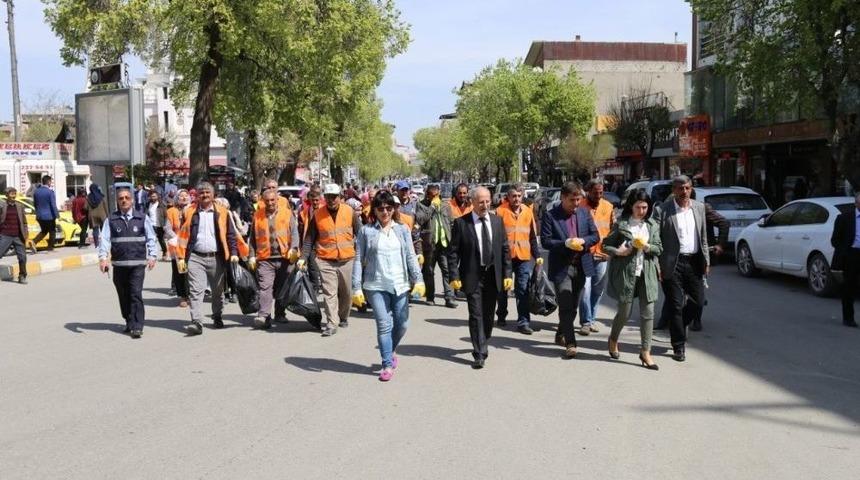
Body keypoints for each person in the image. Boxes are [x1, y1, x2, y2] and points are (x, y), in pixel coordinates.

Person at [352, 191, 425, 381]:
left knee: (402, 324)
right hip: (375, 285)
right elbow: (359, 260)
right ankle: (386, 364)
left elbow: (410, 256)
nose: (385, 212)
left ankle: (390, 350)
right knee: (384, 325)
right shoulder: (366, 231)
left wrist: (419, 280)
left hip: (400, 284)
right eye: (380, 208)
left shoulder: (402, 230)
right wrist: (356, 288)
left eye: (388, 208)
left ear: (393, 209)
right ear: (374, 210)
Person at [448, 186, 513, 369]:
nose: (484, 205)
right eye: (480, 202)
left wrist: (507, 274)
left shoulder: (497, 221)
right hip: (472, 275)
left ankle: (484, 338)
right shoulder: (461, 224)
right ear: (472, 202)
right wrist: (454, 275)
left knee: (488, 314)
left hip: (493, 275)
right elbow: (453, 253)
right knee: (475, 314)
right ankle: (479, 353)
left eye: (487, 201)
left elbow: (504, 249)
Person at [603, 189, 662, 370]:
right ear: (631, 206)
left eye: (645, 207)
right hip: (626, 274)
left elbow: (659, 248)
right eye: (638, 207)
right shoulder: (622, 224)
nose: (642, 211)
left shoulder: (652, 225)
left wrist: (647, 247)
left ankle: (645, 351)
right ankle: (613, 339)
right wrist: (619, 251)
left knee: (648, 313)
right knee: (625, 313)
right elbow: (605, 245)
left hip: (647, 274)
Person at [653, 175, 710, 362]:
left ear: (691, 188)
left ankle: (676, 326)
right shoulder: (662, 210)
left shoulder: (699, 208)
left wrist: (706, 261)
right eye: (680, 188)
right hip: (672, 264)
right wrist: (657, 264)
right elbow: (656, 239)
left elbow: (703, 237)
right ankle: (679, 346)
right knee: (676, 305)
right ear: (673, 190)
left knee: (698, 302)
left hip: (694, 262)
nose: (684, 192)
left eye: (687, 188)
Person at [540, 181, 599, 358]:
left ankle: (560, 333)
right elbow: (545, 241)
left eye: (578, 199)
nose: (576, 203)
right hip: (562, 267)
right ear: (563, 198)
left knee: (573, 306)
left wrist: (584, 242)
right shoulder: (551, 216)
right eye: (572, 200)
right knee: (565, 304)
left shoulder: (584, 213)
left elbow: (595, 235)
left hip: (581, 265)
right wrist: (565, 243)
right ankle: (571, 343)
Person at [175, 182, 241, 335]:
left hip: (217, 257)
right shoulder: (189, 212)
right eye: (201, 193)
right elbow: (183, 236)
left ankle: (217, 315)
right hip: (195, 257)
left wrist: (234, 253)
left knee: (217, 292)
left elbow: (231, 235)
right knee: (195, 290)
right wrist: (181, 257)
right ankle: (196, 321)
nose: (204, 195)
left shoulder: (223, 212)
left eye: (207, 192)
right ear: (197, 196)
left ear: (213, 195)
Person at [298, 183, 362, 336]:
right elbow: (309, 239)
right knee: (329, 292)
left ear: (340, 197)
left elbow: (361, 234)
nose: (332, 200)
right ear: (324, 198)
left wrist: (364, 255)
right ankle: (332, 323)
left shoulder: (349, 212)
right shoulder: (318, 215)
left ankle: (343, 316)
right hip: (326, 259)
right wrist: (303, 258)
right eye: (328, 197)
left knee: (346, 292)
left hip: (347, 259)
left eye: (334, 197)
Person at [97, 183, 159, 338]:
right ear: (117, 201)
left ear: (132, 200)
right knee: (123, 295)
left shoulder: (142, 218)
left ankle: (138, 325)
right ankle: (129, 321)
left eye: (127, 198)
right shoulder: (111, 220)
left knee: (135, 294)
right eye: (121, 199)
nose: (124, 200)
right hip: (119, 265)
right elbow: (104, 239)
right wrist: (103, 259)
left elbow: (151, 238)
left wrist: (152, 256)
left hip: (137, 264)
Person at [247, 188, 300, 329]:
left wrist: (294, 249)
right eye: (267, 201)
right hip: (265, 258)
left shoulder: (287, 214)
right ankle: (264, 315)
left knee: (282, 288)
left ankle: (280, 313)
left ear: (277, 200)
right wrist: (251, 256)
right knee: (265, 287)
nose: (270, 203)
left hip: (285, 258)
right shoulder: (257, 216)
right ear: (263, 201)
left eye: (272, 200)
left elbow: (295, 234)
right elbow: (252, 238)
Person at [494, 183, 542, 334]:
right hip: (504, 257)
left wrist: (538, 255)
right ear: (508, 197)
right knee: (502, 289)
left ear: (522, 196)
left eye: (519, 196)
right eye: (513, 196)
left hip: (523, 256)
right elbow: (494, 237)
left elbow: (532, 236)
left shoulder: (528, 211)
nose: (516, 199)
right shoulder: (500, 211)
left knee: (523, 289)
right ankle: (501, 315)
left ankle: (523, 321)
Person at [578, 179, 615, 336]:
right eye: (595, 193)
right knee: (585, 289)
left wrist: (611, 250)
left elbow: (613, 230)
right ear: (588, 192)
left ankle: (592, 319)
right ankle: (585, 322)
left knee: (597, 289)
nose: (598, 195)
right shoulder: (580, 207)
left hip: (602, 255)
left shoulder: (608, 207)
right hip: (585, 254)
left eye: (601, 192)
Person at [414, 184, 456, 308]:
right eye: (432, 196)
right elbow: (420, 220)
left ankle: (449, 297)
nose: (435, 197)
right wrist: (431, 207)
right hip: (430, 244)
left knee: (447, 270)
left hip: (443, 244)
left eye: (436, 195)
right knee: (429, 271)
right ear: (427, 195)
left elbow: (451, 222)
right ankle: (430, 297)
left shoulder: (445, 205)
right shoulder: (421, 205)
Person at [831, 192, 860, 327]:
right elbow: (835, 240)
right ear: (856, 203)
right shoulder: (844, 218)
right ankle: (848, 318)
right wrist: (845, 253)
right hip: (851, 255)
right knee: (849, 287)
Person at [164, 189, 191, 307]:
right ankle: (183, 296)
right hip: (177, 246)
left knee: (193, 271)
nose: (184, 198)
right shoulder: (171, 211)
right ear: (177, 198)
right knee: (181, 271)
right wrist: (177, 237)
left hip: (191, 245)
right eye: (181, 196)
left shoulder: (193, 209)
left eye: (186, 196)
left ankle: (193, 295)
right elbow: (167, 228)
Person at [0, 187, 29, 284]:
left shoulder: (20, 206)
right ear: (6, 195)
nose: (13, 195)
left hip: (18, 236)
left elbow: (24, 222)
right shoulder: (2, 206)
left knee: (22, 257)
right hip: (5, 235)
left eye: (14, 193)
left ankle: (22, 276)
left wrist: (26, 236)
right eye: (11, 193)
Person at [32, 176, 59, 251]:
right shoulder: (50, 192)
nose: (51, 183)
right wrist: (57, 215)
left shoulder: (36, 192)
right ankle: (50, 247)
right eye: (51, 182)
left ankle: (34, 241)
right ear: (48, 182)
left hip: (39, 215)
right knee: (52, 231)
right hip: (49, 216)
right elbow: (53, 205)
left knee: (44, 230)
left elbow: (35, 204)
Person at [146, 190, 168, 261]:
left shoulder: (162, 204)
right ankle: (152, 255)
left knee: (161, 239)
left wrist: (165, 225)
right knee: (151, 239)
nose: (153, 198)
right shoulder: (148, 204)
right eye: (152, 196)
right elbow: (146, 213)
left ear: (158, 196)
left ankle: (165, 252)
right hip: (150, 224)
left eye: (154, 196)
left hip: (159, 224)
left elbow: (165, 215)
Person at [86, 184, 109, 248]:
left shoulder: (88, 197)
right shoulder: (101, 196)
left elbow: (85, 207)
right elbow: (105, 206)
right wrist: (107, 215)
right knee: (104, 230)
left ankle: (96, 244)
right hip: (102, 215)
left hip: (93, 216)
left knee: (95, 231)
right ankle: (104, 243)